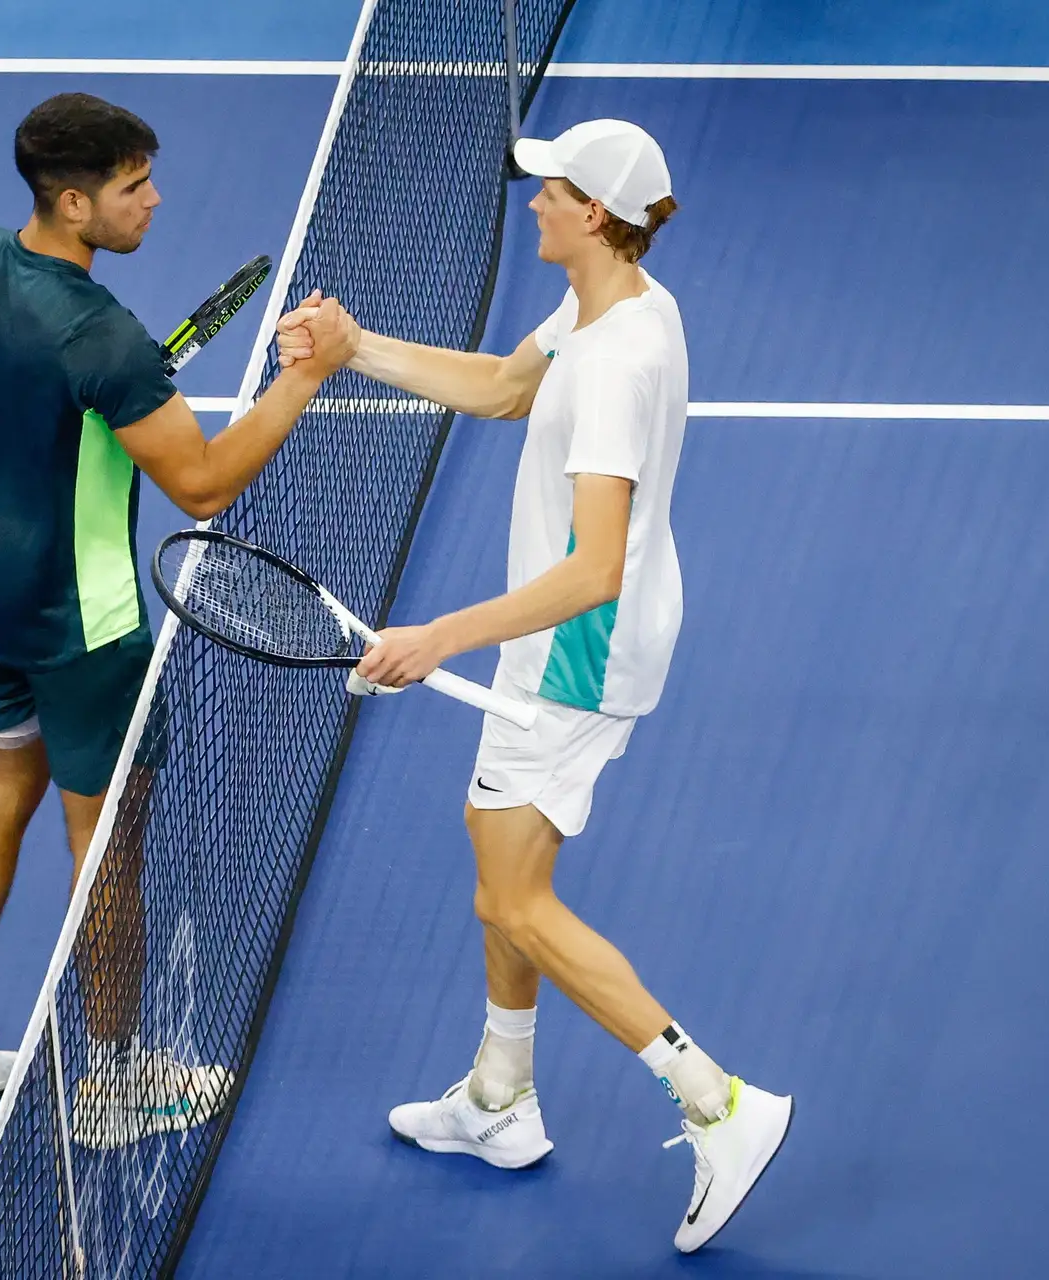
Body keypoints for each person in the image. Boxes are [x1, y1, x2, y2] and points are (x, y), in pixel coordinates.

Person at [276, 119, 790, 1252]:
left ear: (594, 214)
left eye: (549, 191)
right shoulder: (617, 303)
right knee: (497, 842)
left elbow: (591, 565)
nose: (532, 204)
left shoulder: (617, 364)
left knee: (514, 897)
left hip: (576, 650)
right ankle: (501, 1094)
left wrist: (436, 637)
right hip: (583, 638)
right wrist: (354, 349)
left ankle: (719, 1102)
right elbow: (509, 387)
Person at [0, 91, 354, 1152]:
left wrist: (44, 433)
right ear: (71, 201)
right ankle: (114, 1081)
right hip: (83, 626)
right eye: (132, 187)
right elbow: (200, 485)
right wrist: (302, 380)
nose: (154, 201)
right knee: (108, 851)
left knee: (3, 782)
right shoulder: (106, 338)